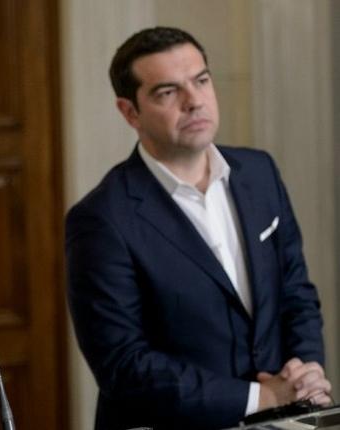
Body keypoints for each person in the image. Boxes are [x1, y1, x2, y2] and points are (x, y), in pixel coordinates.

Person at [66, 26, 332, 430]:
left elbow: (295, 292)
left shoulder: (260, 172)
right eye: (168, 92)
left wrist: (306, 371)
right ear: (129, 111)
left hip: (286, 417)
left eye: (201, 81)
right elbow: (124, 363)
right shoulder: (102, 218)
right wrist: (262, 396)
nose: (194, 102)